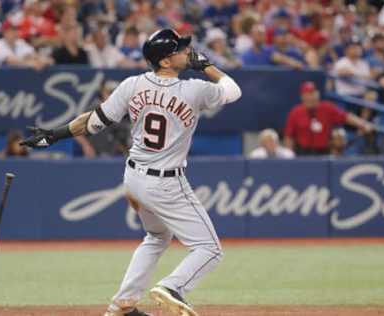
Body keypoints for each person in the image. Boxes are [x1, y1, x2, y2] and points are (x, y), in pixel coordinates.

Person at [20, 28, 241, 316]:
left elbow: (94, 122)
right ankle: (174, 287)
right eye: (181, 49)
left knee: (157, 238)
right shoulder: (194, 89)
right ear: (164, 61)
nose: (187, 52)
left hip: (134, 178)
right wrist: (207, 66)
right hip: (166, 183)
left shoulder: (132, 84)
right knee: (209, 249)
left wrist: (54, 135)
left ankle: (121, 306)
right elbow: (233, 90)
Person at [284, 81, 373, 155]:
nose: (310, 97)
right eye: (307, 94)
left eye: (312, 93)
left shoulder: (327, 108)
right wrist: (290, 155)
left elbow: (346, 117)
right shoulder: (296, 112)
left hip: (323, 152)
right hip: (303, 153)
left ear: (317, 94)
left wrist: (363, 124)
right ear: (302, 96)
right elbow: (289, 136)